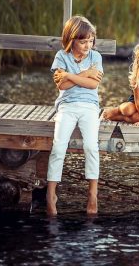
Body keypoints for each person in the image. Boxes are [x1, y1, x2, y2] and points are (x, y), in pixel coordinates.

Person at [47, 15, 104, 216]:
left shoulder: (95, 57)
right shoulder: (61, 57)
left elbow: (93, 84)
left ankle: (92, 194)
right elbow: (61, 86)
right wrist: (84, 74)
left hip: (89, 106)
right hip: (66, 106)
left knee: (91, 146)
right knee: (59, 146)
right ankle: (51, 195)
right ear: (72, 40)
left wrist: (71, 76)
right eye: (83, 41)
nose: (88, 45)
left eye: (91, 40)